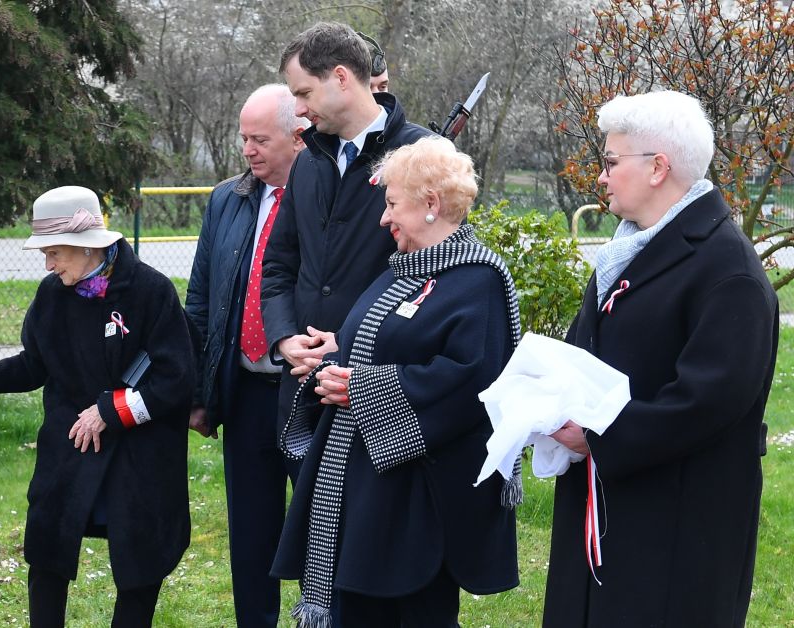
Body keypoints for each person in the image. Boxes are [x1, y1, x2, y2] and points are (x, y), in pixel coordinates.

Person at [544, 91, 779, 627]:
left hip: (674, 532)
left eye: (609, 162)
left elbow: (705, 402)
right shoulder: (631, 248)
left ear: (657, 168)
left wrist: (598, 434)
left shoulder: (729, 271)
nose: (600, 177)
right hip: (609, 512)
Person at [271, 136, 520, 627]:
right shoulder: (404, 270)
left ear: (431, 204)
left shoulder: (478, 279)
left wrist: (361, 388)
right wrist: (336, 350)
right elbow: (382, 341)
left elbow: (472, 381)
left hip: (416, 509)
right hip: (364, 494)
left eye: (390, 204)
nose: (384, 218)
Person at [0, 186, 193, 627]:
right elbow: (35, 364)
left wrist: (108, 412)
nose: (49, 265)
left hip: (140, 458)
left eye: (55, 253)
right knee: (47, 553)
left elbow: (176, 379)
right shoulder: (52, 294)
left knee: (140, 564)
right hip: (70, 448)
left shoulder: (150, 291)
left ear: (86, 245)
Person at [262, 21, 431, 430]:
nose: (298, 109)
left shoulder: (423, 154)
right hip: (303, 390)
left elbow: (435, 283)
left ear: (340, 78)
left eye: (304, 93)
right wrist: (286, 339)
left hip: (374, 395)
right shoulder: (307, 161)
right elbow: (279, 265)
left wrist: (350, 342)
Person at [184, 84, 308, 627]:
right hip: (244, 396)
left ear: (297, 136)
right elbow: (200, 302)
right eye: (243, 139)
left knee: (317, 533)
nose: (249, 151)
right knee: (251, 541)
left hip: (307, 397)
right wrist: (199, 394)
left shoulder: (326, 202)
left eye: (260, 139)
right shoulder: (226, 200)